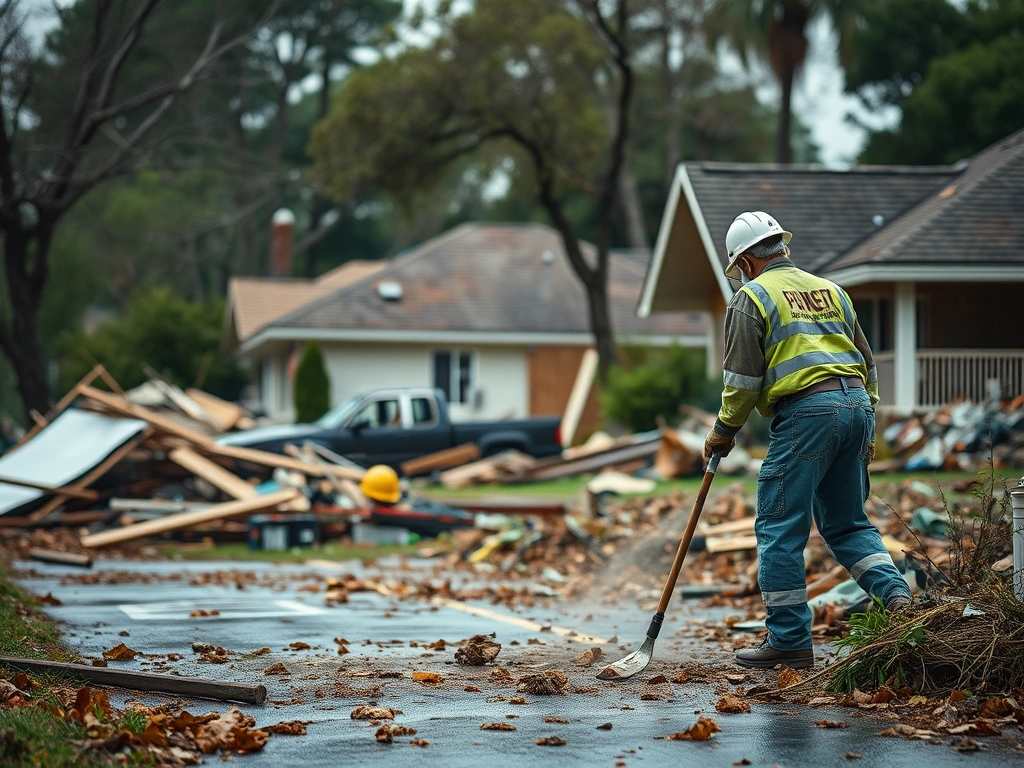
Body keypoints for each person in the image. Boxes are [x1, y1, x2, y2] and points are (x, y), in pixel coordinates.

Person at [703, 211, 911, 670]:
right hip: (855, 405)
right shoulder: (832, 291)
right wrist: (867, 423)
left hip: (806, 415)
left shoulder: (750, 297)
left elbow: (741, 381)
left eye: (737, 268)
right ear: (781, 248)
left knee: (779, 529)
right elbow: (866, 362)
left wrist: (723, 430)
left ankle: (790, 640)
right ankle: (898, 598)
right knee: (848, 525)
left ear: (746, 263)